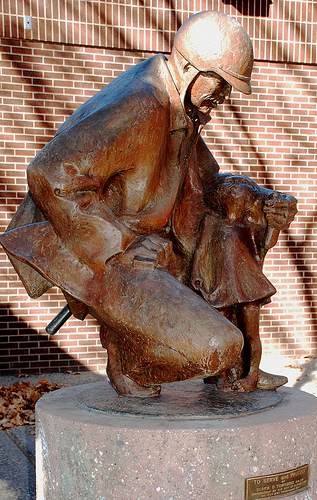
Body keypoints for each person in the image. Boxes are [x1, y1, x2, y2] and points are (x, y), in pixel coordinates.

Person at [0, 11, 297, 397]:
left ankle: (222, 365)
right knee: (218, 348)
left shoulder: (182, 111)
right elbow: (50, 173)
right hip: (103, 255)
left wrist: (261, 202)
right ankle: (127, 356)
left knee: (228, 237)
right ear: (191, 68)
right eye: (221, 85)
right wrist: (123, 243)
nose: (223, 99)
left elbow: (206, 187)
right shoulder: (144, 102)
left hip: (156, 254)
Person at [191, 174, 293, 391]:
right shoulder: (210, 221)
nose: (234, 186)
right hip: (220, 288)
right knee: (223, 334)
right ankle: (221, 374)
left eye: (241, 184)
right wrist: (197, 280)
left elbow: (266, 244)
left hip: (249, 288)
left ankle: (252, 376)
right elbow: (201, 252)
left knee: (251, 334)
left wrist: (274, 224)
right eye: (229, 183)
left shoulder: (250, 224)